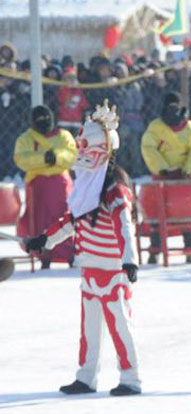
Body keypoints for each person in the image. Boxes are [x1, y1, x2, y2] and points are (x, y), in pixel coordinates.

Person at [24, 101, 141, 396]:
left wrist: (130, 261)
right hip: (89, 269)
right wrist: (44, 240)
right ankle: (86, 376)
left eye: (87, 147)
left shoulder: (115, 190)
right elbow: (71, 220)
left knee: (120, 326)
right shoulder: (86, 186)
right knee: (89, 330)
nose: (82, 153)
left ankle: (130, 378)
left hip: (113, 271)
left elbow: (125, 227)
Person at [140, 91, 191, 264]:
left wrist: (188, 170)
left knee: (185, 213)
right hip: (162, 178)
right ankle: (155, 251)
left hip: (184, 179)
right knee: (157, 214)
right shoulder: (155, 128)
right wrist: (162, 169)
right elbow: (148, 148)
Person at [14, 105, 77, 268]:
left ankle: (68, 253)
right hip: (37, 186)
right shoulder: (25, 138)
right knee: (38, 221)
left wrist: (55, 157)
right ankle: (43, 255)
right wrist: (43, 158)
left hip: (61, 185)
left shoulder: (64, 135)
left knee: (64, 218)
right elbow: (21, 158)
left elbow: (72, 154)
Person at [56, 67, 90, 136]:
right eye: (68, 78)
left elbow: (84, 104)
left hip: (76, 122)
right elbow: (62, 100)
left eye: (72, 78)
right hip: (64, 121)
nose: (71, 80)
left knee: (76, 140)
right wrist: (67, 88)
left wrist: (78, 89)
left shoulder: (79, 92)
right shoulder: (62, 90)